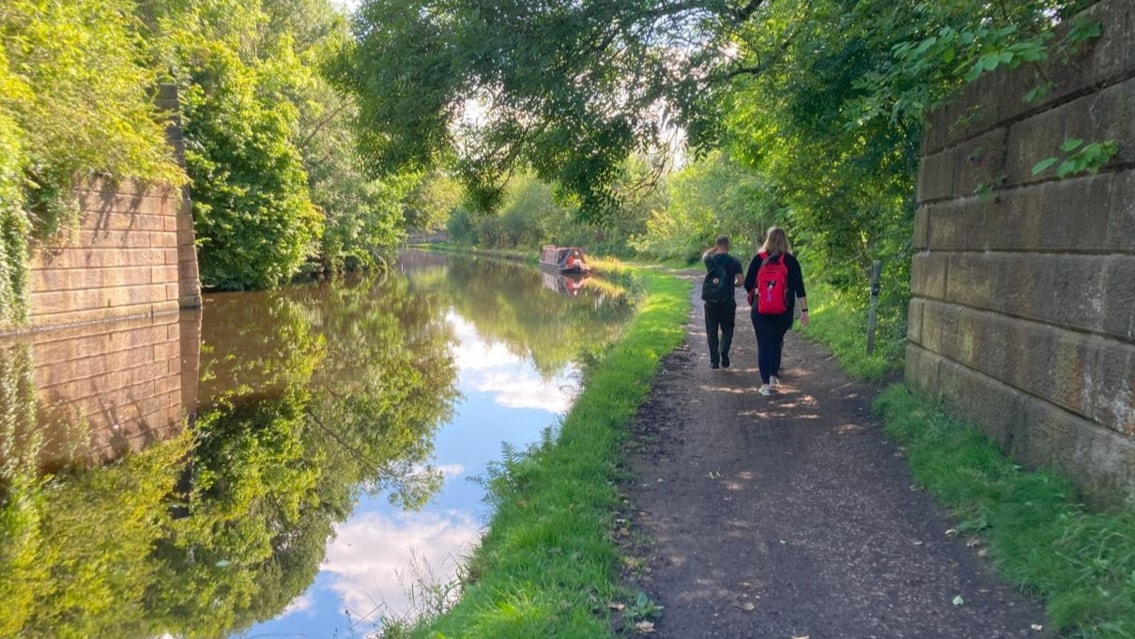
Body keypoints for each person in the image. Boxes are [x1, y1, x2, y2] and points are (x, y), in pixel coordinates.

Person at [744, 227, 809, 395]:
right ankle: (773, 379)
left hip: (760, 310)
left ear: (768, 240)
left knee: (763, 345)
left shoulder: (759, 259)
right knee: (776, 342)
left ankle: (765, 386)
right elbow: (799, 288)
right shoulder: (790, 261)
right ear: (785, 241)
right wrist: (804, 310)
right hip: (783, 311)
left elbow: (747, 283)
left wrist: (762, 292)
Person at [701, 235, 744, 369]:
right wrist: (733, 284)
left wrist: (713, 248)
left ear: (717, 245)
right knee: (727, 328)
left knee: (712, 330)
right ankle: (724, 351)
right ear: (728, 245)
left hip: (711, 301)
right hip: (727, 301)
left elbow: (704, 255)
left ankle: (714, 361)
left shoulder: (711, 259)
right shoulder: (734, 261)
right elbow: (741, 281)